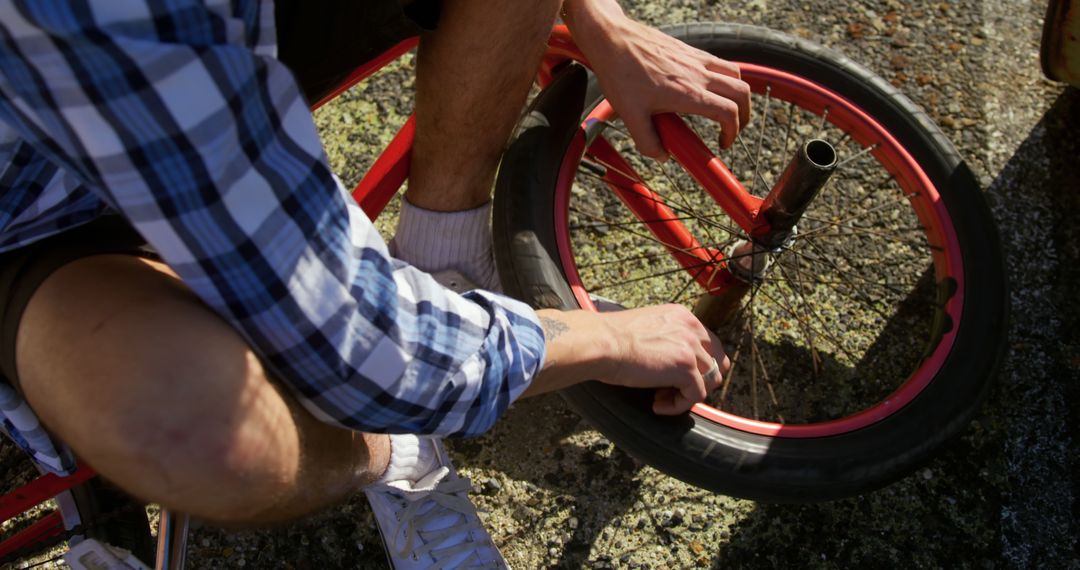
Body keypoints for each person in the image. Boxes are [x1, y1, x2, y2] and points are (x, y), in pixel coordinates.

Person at [0, 0, 746, 567]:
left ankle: (442, 257)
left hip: (168, 59)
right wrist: (609, 338)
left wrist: (596, 17)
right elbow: (357, 344)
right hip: (31, 217)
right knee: (198, 433)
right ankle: (396, 449)